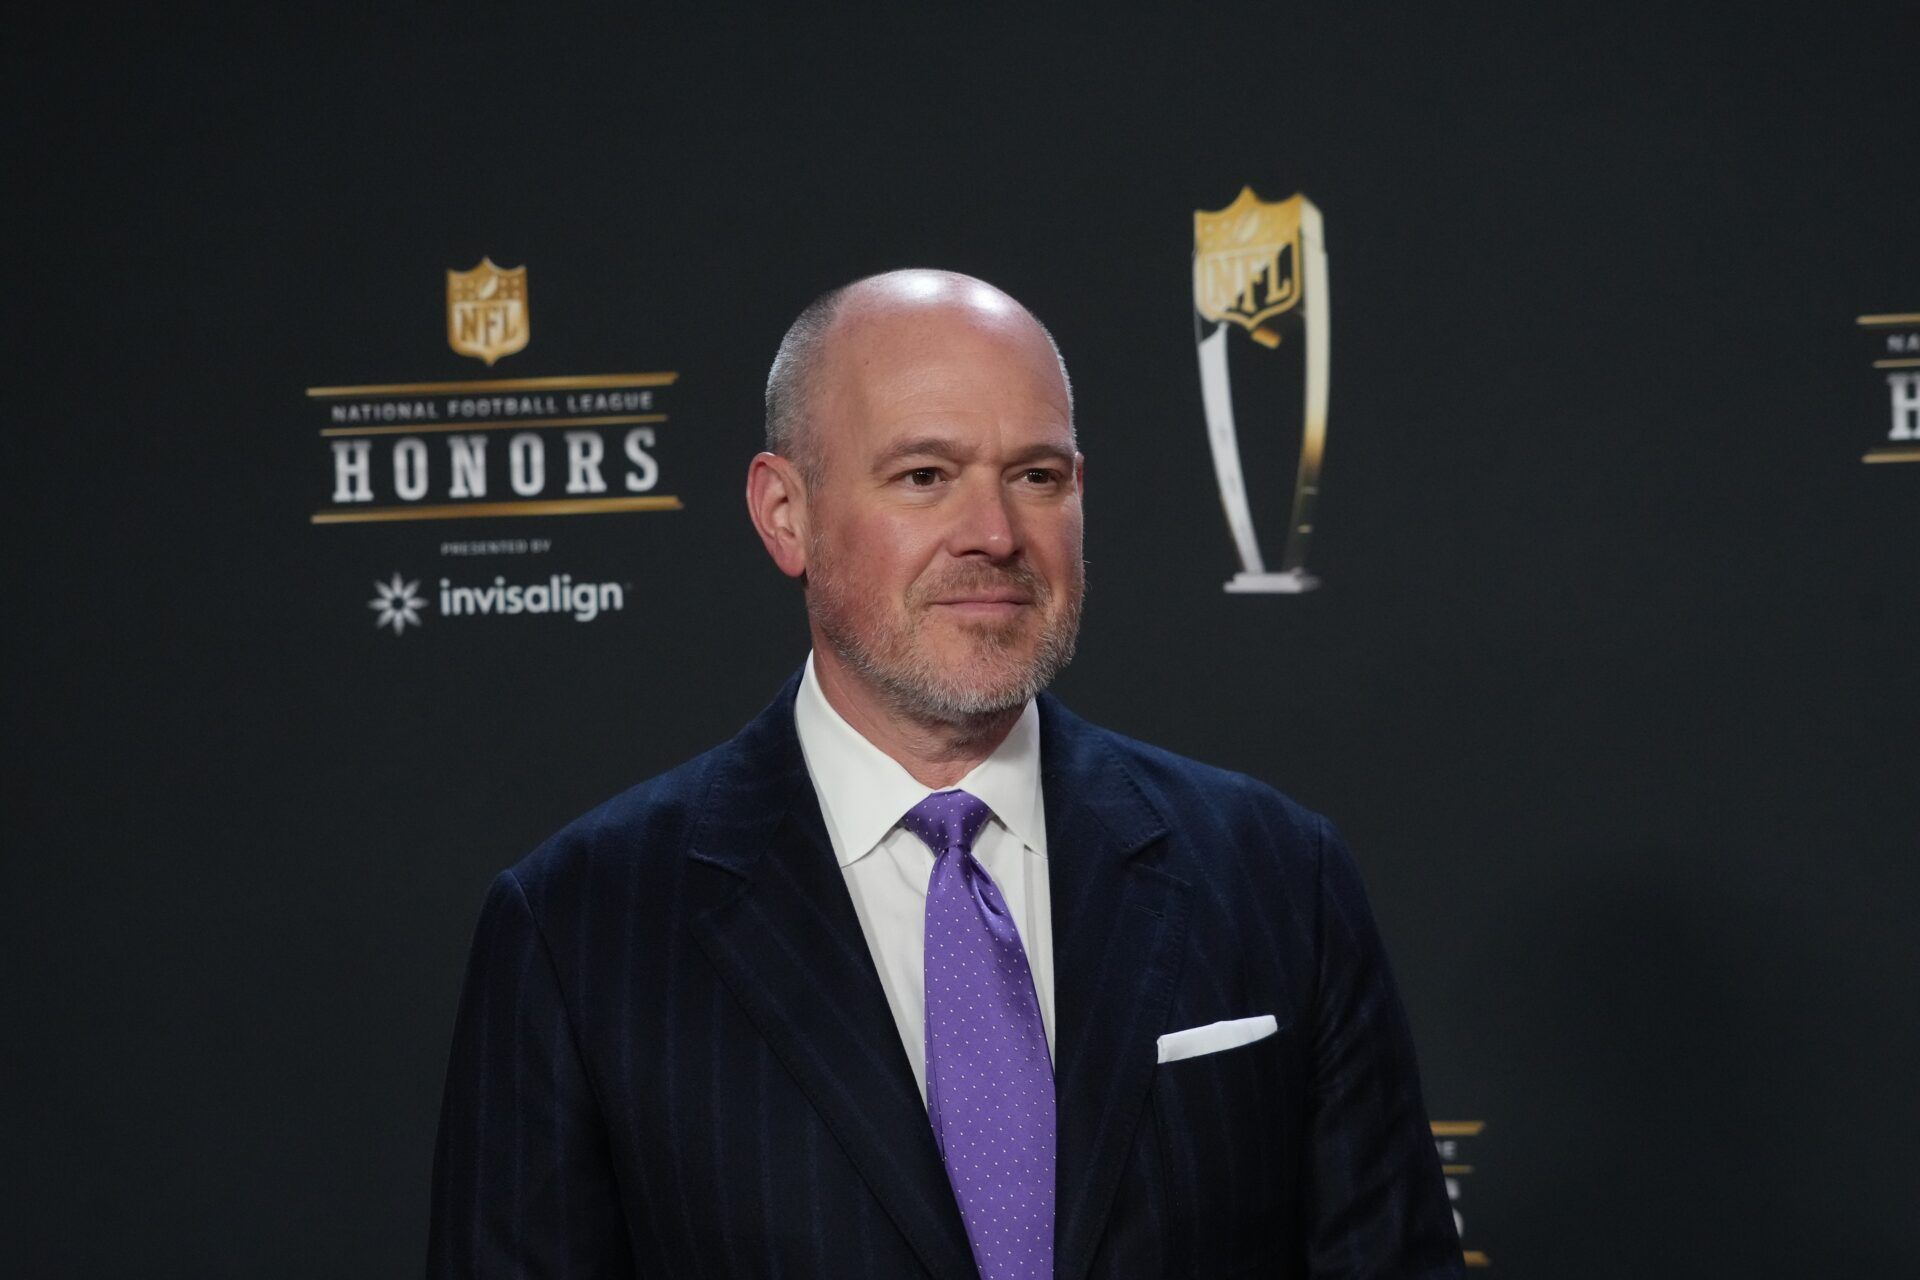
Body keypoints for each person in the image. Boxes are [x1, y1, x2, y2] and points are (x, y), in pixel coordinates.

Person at [427, 269, 1463, 1279]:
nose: (996, 534)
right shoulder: (579, 927)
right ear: (785, 511)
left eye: (1036, 475)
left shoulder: (1278, 875)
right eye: (925, 475)